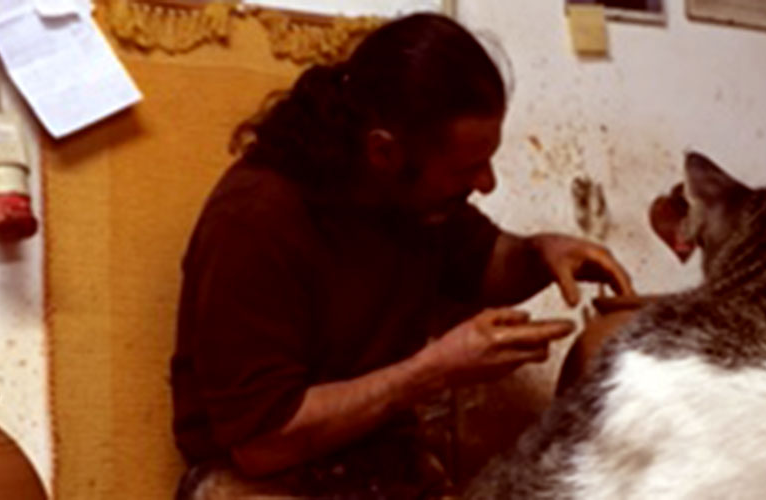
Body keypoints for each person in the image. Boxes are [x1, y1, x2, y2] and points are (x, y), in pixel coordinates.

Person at [170, 13, 635, 499]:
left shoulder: (413, 202)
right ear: (384, 152)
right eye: (467, 168)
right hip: (261, 479)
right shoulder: (256, 221)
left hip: (376, 468)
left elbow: (485, 264)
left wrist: (541, 253)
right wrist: (433, 371)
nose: (487, 184)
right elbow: (261, 444)